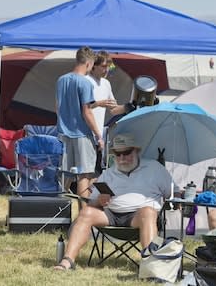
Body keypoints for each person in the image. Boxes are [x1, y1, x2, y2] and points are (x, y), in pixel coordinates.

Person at [54, 134, 179, 270]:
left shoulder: (155, 168)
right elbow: (92, 203)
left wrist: (176, 200)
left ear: (136, 151)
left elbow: (174, 194)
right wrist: (99, 201)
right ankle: (67, 261)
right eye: (117, 154)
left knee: (148, 212)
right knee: (86, 212)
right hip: (111, 215)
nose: (122, 158)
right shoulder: (108, 173)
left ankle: (150, 265)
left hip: (139, 217)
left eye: (126, 153)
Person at [55, 46, 104, 199]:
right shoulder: (85, 83)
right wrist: (98, 135)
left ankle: (57, 209)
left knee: (65, 174)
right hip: (82, 134)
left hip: (63, 133)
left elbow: (57, 108)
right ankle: (84, 215)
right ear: (89, 63)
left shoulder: (61, 80)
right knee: (84, 175)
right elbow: (87, 112)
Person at [86, 51, 135, 174]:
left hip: (98, 136)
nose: (107, 69)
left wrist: (130, 106)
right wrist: (98, 103)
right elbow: (80, 107)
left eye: (109, 66)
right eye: (103, 66)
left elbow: (113, 110)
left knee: (94, 172)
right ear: (93, 66)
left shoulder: (106, 84)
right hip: (83, 134)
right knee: (82, 173)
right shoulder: (85, 81)